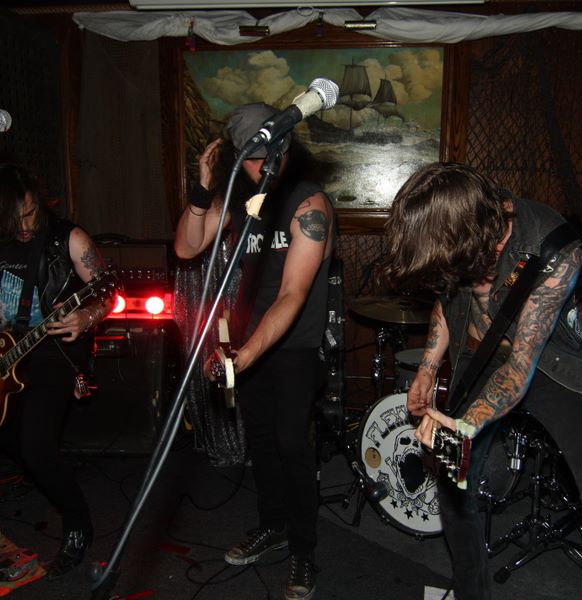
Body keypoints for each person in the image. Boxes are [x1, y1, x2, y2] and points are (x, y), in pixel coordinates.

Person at [377, 162, 582, 600]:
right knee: (453, 485)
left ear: (479, 236)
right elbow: (446, 300)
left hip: (550, 365)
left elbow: (520, 366)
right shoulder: (460, 228)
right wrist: (428, 367)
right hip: (477, 356)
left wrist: (464, 425)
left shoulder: (555, 246)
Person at [175, 103, 334, 600]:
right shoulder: (242, 200)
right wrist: (202, 189)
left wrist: (245, 356)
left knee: (291, 443)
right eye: (252, 156)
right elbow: (186, 248)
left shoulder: (309, 205)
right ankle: (273, 526)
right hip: (247, 344)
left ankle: (304, 551)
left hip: (294, 344)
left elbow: (291, 294)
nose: (264, 164)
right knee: (260, 442)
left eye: (271, 152)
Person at [0, 161, 113, 578]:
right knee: (8, 440)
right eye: (15, 219)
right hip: (3, 357)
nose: (26, 225)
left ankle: (78, 524)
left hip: (54, 352)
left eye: (30, 213)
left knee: (36, 447)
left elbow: (108, 291)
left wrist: (87, 316)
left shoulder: (68, 238)